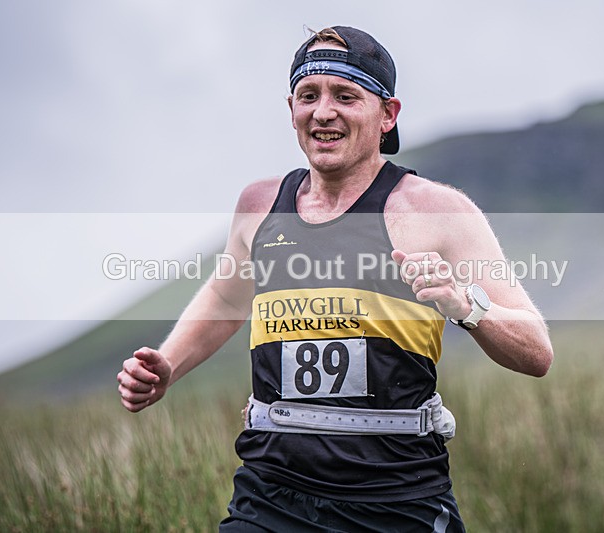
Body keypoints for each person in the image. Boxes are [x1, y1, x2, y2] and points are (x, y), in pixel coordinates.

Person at [117, 25, 553, 532]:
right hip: (270, 495)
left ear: (387, 113)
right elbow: (226, 297)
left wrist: (466, 308)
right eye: (309, 96)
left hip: (396, 500)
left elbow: (536, 351)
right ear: (292, 109)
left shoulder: (437, 211)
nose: (323, 112)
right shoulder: (259, 207)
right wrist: (168, 364)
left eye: (346, 95)